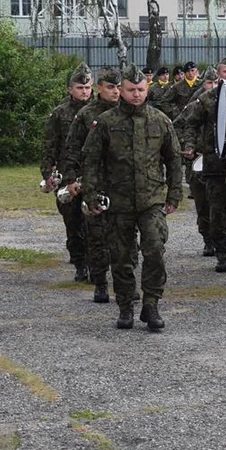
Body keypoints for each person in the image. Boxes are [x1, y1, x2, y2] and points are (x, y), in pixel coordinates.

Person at [81, 65, 182, 331]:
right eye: (130, 90)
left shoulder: (160, 120)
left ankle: (151, 304)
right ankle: (125, 306)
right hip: (118, 201)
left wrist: (174, 193)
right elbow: (90, 161)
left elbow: (173, 160)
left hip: (151, 200)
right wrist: (91, 194)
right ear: (121, 91)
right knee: (122, 257)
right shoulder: (106, 123)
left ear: (146, 89)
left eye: (140, 89)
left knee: (155, 251)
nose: (136, 95)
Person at [62, 66, 123, 303]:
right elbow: (72, 148)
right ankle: (100, 282)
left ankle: (124, 283)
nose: (116, 92)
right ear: (100, 88)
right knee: (96, 236)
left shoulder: (129, 112)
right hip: (95, 183)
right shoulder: (87, 114)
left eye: (119, 87)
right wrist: (71, 179)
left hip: (123, 184)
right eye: (110, 87)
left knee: (125, 238)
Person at [178, 56, 226, 272]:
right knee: (216, 212)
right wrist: (190, 145)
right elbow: (190, 124)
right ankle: (222, 254)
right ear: (218, 74)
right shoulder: (207, 99)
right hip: (215, 165)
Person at [41, 63, 93, 282]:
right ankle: (79, 262)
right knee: (73, 222)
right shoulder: (60, 113)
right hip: (67, 175)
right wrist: (47, 173)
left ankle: (95, 263)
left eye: (87, 87)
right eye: (79, 87)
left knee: (95, 222)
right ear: (70, 89)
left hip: (92, 174)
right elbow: (49, 144)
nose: (84, 91)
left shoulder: (101, 112)